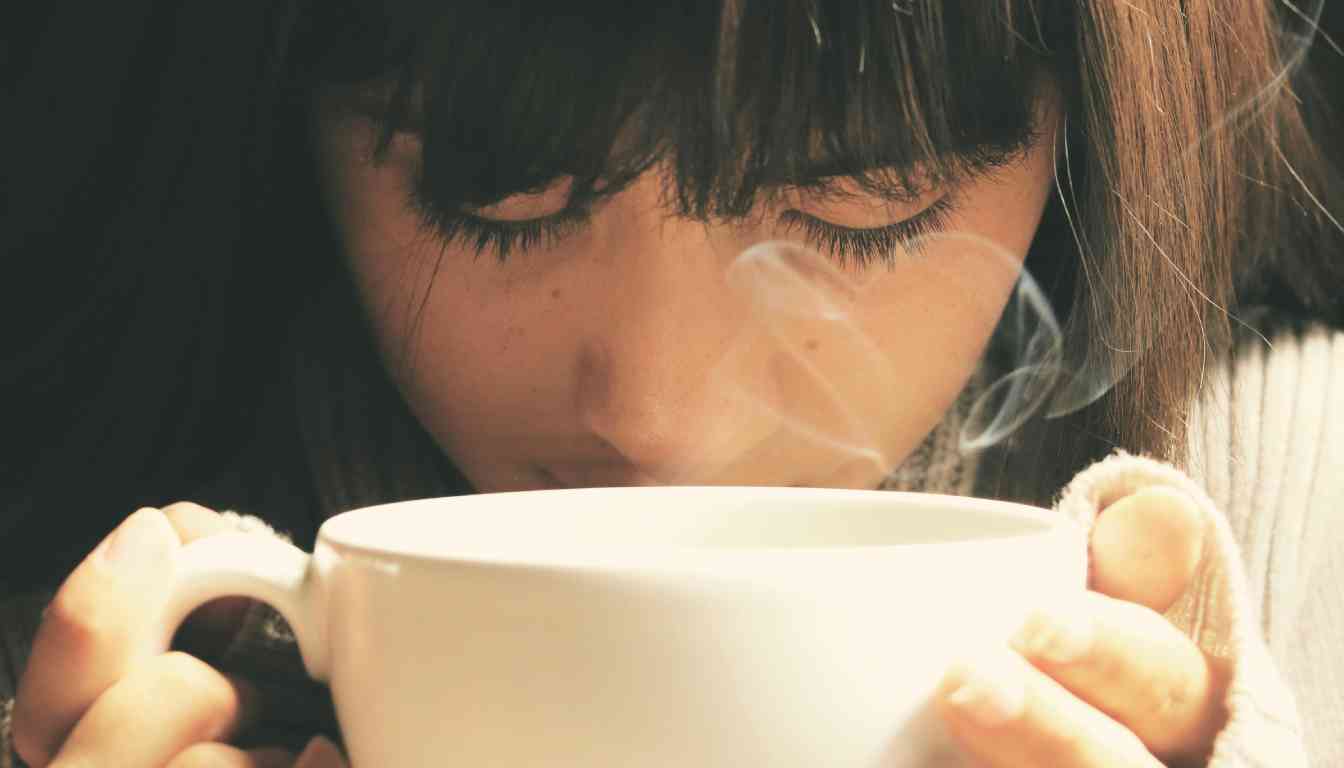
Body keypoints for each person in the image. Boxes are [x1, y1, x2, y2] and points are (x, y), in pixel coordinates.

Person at [2, 1, 1342, 766]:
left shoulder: (1300, 502)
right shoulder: (84, 598)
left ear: (1084, 135)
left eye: (867, 208)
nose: (659, 420)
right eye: (498, 198)